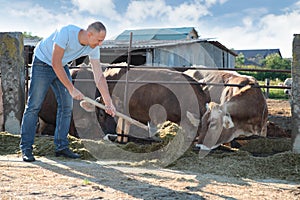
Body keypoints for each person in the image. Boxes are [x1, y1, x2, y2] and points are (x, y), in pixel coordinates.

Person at [20, 21, 116, 162]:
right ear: (89, 34)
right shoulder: (66, 33)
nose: (100, 44)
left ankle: (61, 147)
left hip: (61, 65)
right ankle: (26, 148)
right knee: (34, 105)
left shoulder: (93, 47)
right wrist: (71, 89)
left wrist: (108, 102)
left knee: (66, 105)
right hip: (43, 62)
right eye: (99, 40)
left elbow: (99, 76)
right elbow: (55, 63)